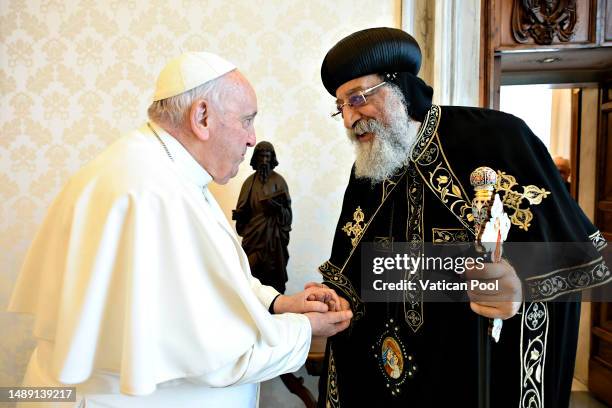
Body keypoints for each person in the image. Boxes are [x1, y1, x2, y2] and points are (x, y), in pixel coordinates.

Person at [8, 51, 352, 408]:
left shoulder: (162, 168)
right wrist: (306, 329)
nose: (252, 140)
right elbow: (222, 355)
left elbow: (211, 282)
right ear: (201, 116)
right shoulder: (155, 192)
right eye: (247, 121)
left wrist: (278, 303)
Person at [315, 28, 610, 408]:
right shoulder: (366, 172)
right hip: (387, 382)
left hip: (470, 374)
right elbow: (353, 268)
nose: (349, 120)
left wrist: (518, 287)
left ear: (401, 86)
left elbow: (584, 257)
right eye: (341, 107)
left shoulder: (498, 138)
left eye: (357, 99)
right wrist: (332, 298)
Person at [234, 141, 292, 293]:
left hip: (274, 242)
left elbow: (288, 216)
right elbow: (242, 212)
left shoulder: (279, 182)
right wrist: (239, 215)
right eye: (261, 156)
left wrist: (277, 208)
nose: (264, 161)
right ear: (256, 158)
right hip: (254, 239)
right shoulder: (249, 183)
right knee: (250, 277)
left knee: (274, 281)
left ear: (272, 158)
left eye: (267, 157)